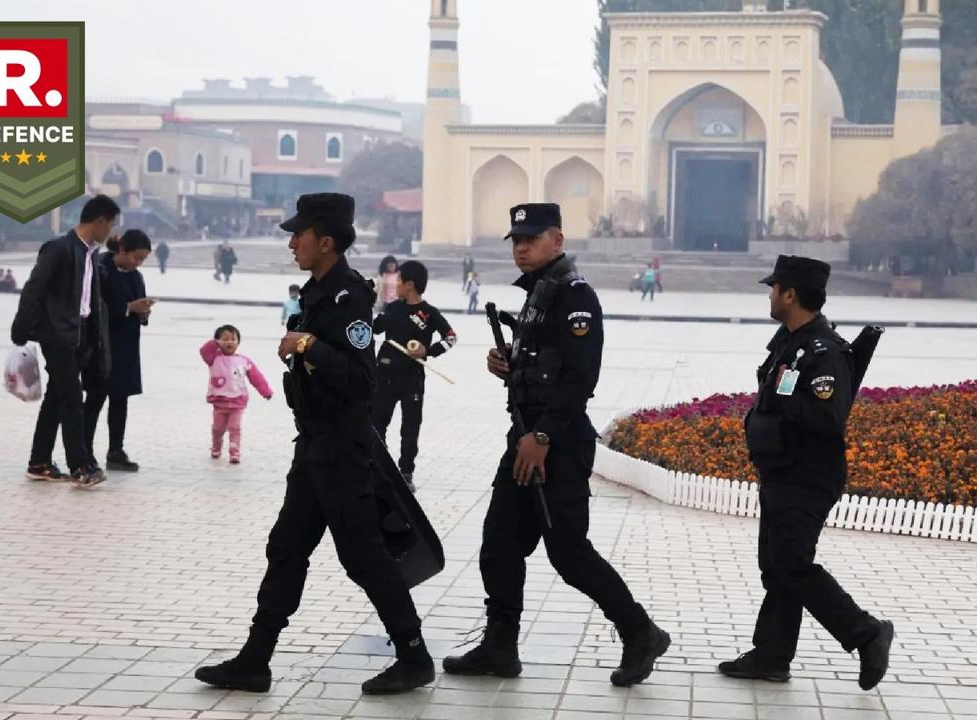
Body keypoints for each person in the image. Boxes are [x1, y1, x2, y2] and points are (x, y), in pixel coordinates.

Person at [195, 192, 435, 695]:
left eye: (298, 234)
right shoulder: (316, 292)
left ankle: (413, 655)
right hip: (315, 444)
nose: (291, 243)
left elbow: (360, 378)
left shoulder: (349, 297)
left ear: (325, 240)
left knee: (363, 556)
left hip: (343, 449)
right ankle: (255, 660)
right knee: (286, 548)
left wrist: (308, 345)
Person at [443, 202, 669, 687]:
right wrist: (508, 364)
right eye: (517, 240)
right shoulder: (538, 295)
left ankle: (640, 632)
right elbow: (546, 367)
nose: (521, 248)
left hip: (557, 444)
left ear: (557, 241)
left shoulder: (575, 297)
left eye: (532, 239)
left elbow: (581, 379)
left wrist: (543, 437)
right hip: (525, 439)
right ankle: (500, 647)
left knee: (569, 553)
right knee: (499, 544)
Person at [718, 254, 893, 689]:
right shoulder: (790, 343)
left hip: (808, 475)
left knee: (793, 564)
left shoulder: (822, 351)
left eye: (774, 288)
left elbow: (828, 417)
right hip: (782, 470)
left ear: (791, 294)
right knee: (776, 567)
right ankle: (772, 655)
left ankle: (866, 632)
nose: (771, 295)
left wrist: (783, 404)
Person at [10, 194, 119, 488]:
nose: (110, 231)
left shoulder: (89, 253)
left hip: (79, 335)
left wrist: (94, 337)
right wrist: (21, 329)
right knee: (72, 399)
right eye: (109, 224)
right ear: (98, 221)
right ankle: (80, 466)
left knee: (57, 399)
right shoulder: (59, 249)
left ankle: (39, 461)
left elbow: (90, 298)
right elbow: (34, 288)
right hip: (57, 335)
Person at [371, 260, 456, 491]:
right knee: (377, 423)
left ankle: (406, 472)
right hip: (385, 375)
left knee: (410, 428)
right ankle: (379, 466)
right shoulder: (393, 308)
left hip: (412, 379)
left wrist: (427, 351)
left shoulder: (429, 314)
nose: (395, 284)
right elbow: (373, 328)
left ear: (409, 284)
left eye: (398, 280)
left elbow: (451, 338)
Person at [83, 230, 154, 473]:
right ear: (122, 250)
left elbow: (138, 306)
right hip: (102, 345)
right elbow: (93, 305)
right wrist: (126, 308)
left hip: (126, 346)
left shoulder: (136, 277)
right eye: (136, 257)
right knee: (95, 399)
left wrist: (143, 311)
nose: (138, 263)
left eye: (143, 260)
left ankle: (116, 450)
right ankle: (84, 451)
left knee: (120, 398)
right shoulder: (100, 269)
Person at [199, 324, 273, 463]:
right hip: (219, 400)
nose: (229, 342)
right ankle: (216, 447)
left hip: (238, 401)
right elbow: (204, 351)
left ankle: (234, 451)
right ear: (218, 342)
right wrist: (215, 343)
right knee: (218, 428)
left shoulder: (244, 361)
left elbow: (256, 378)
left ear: (238, 342)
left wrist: (266, 392)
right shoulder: (213, 358)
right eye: (225, 339)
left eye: (233, 339)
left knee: (235, 427)